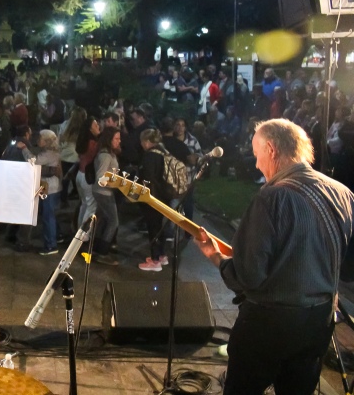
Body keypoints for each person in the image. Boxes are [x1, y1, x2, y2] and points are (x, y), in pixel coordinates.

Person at [195, 119, 354, 394]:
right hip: (319, 322)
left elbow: (249, 277)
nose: (256, 164)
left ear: (270, 149)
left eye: (257, 155)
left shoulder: (271, 198)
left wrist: (215, 257)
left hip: (269, 327)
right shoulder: (343, 193)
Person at [137, 129, 171, 271]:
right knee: (160, 226)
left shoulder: (150, 156)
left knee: (153, 227)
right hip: (165, 195)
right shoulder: (164, 152)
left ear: (146, 142)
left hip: (153, 197)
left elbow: (148, 178)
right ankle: (162, 256)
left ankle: (155, 261)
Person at [92, 127, 121, 265]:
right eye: (116, 138)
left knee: (103, 220)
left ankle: (96, 249)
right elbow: (100, 177)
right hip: (104, 193)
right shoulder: (105, 155)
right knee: (113, 222)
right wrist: (118, 184)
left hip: (104, 192)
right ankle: (102, 253)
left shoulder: (109, 154)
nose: (119, 141)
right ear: (109, 139)